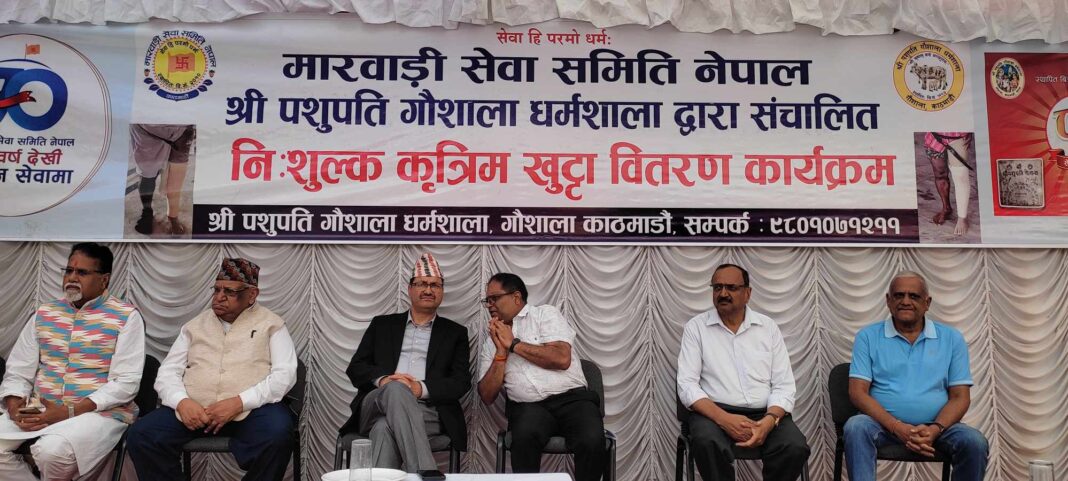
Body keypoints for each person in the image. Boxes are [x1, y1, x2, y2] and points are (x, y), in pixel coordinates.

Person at [127, 258, 297, 481]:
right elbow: (168, 372)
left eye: (229, 292)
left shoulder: (272, 324)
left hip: (251, 410)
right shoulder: (194, 326)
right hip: (196, 409)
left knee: (277, 434)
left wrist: (239, 402)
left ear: (252, 295)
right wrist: (182, 402)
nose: (219, 297)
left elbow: (285, 375)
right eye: (216, 290)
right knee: (143, 435)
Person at [0, 243, 145, 481]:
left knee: (51, 452)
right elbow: (18, 371)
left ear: (104, 280)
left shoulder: (126, 317)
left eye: (82, 272)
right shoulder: (44, 314)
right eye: (69, 271)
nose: (72, 278)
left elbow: (126, 383)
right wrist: (15, 407)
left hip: (98, 413)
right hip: (41, 408)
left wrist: (68, 411)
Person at [845, 270, 988, 481]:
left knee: (974, 442)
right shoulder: (867, 337)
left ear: (927, 302)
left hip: (937, 428)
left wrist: (935, 430)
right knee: (856, 427)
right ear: (888, 301)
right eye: (899, 295)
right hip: (883, 426)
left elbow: (960, 397)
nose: (905, 301)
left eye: (913, 296)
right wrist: (897, 427)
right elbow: (857, 393)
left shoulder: (951, 339)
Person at [676, 263, 810, 480]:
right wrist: (724, 419)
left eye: (731, 287)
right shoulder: (696, 328)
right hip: (715, 413)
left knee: (794, 447)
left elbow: (784, 385)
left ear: (748, 293)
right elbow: (687, 385)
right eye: (717, 287)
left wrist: (769, 421)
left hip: (765, 414)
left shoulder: (767, 328)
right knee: (707, 442)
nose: (723, 293)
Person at [340, 253, 471, 472]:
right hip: (376, 403)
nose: (428, 290)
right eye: (421, 284)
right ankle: (425, 471)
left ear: (442, 291)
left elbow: (460, 382)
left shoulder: (455, 333)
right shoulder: (383, 325)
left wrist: (420, 388)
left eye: (435, 285)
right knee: (396, 389)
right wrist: (385, 381)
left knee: (383, 428)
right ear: (410, 289)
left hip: (427, 411)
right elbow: (356, 368)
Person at [476, 273, 606, 481]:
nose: (490, 305)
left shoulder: (544, 315)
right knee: (524, 437)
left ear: (516, 297)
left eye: (495, 298)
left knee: (591, 439)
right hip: (529, 408)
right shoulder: (491, 343)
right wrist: (500, 353)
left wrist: (514, 344)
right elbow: (487, 396)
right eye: (487, 301)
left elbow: (561, 358)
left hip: (573, 400)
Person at [131, 123, 195, 236]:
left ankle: (171, 217)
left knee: (173, 177)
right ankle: (148, 213)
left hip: (179, 126)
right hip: (152, 127)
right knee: (148, 173)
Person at [924, 132, 974, 236]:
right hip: (934, 135)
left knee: (960, 177)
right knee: (940, 175)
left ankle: (962, 218)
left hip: (957, 135)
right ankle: (946, 208)